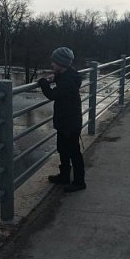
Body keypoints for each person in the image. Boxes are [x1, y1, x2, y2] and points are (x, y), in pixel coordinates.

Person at [38, 47, 86, 192]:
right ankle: (64, 175)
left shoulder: (68, 81)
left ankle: (79, 182)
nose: (52, 64)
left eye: (54, 62)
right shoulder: (68, 75)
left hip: (69, 123)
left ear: (61, 63)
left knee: (73, 152)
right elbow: (63, 79)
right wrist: (55, 77)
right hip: (66, 120)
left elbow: (53, 95)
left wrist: (43, 83)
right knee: (62, 149)